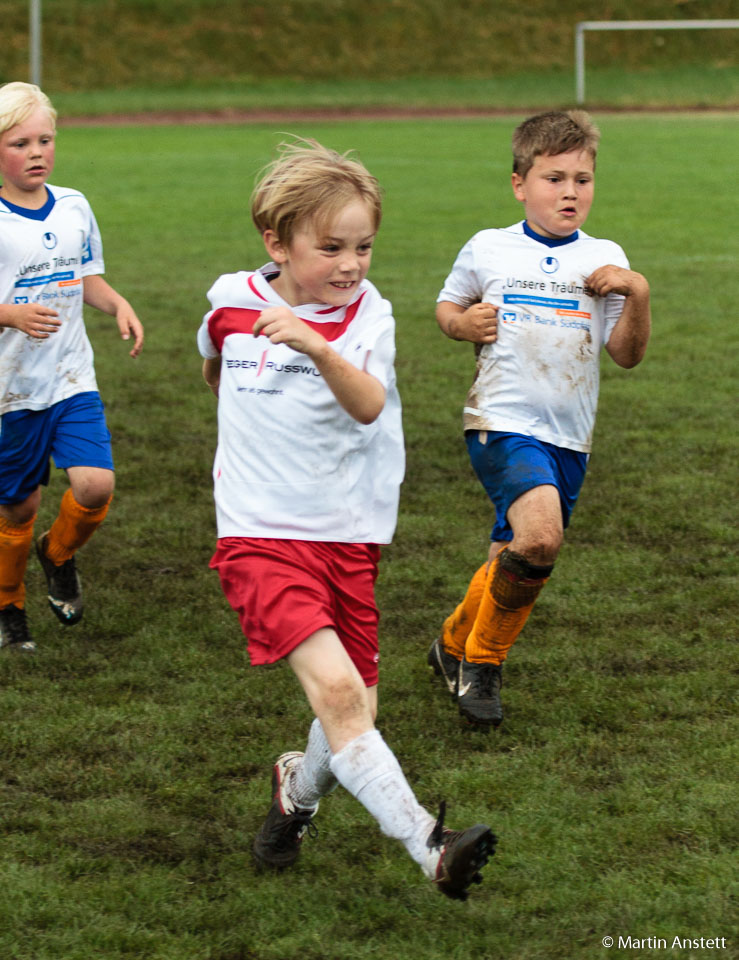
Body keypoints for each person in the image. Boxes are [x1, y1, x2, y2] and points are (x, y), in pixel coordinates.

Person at [198, 138, 496, 899]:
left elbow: (367, 406)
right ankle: (431, 845)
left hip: (347, 536)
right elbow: (215, 363)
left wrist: (314, 345)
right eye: (329, 247)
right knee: (336, 696)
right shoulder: (230, 301)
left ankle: (294, 794)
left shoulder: (370, 318)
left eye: (362, 246)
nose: (350, 263)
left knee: (355, 709)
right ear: (277, 242)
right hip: (258, 534)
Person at [428, 110, 650, 728]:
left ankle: (450, 644)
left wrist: (638, 293)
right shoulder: (488, 247)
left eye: (582, 178)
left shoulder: (605, 257)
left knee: (516, 552)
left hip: (570, 433)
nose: (570, 191)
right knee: (542, 537)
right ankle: (482, 664)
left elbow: (627, 356)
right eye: (554, 178)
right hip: (501, 420)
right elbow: (448, 307)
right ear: (520, 184)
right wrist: (460, 324)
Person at [0, 82, 144, 652]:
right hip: (8, 390)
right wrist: (12, 315)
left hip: (71, 379)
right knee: (17, 503)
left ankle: (56, 554)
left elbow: (84, 277)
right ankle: (5, 601)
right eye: (20, 142)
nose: (36, 152)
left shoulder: (74, 205)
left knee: (96, 485)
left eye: (44, 139)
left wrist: (117, 303)